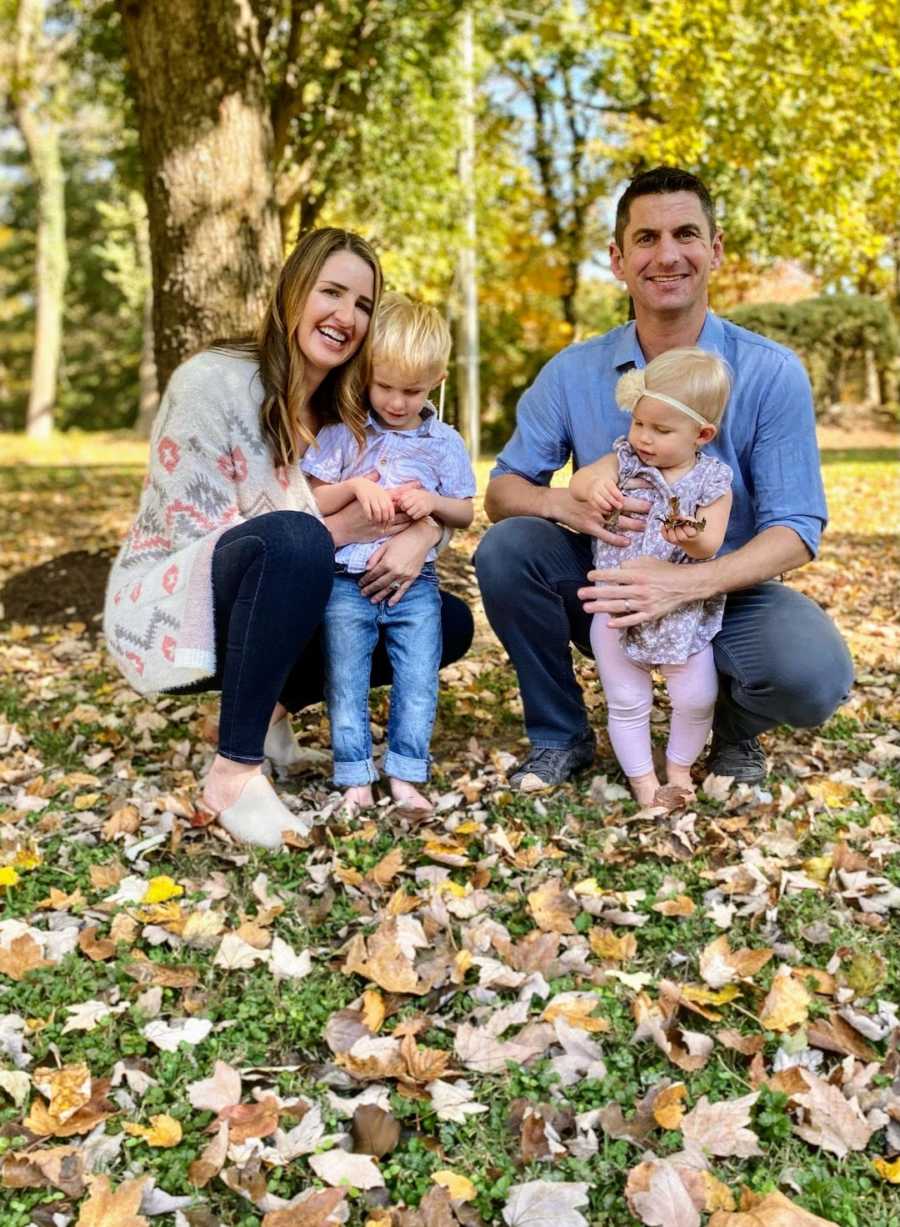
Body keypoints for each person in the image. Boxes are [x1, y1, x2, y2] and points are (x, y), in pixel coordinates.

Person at [475, 165, 853, 790]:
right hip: (611, 586)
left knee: (813, 674)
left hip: (729, 588)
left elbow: (797, 528)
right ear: (618, 260)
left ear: (716, 249)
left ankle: (732, 735)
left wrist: (687, 584)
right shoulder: (573, 372)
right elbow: (503, 492)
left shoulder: (771, 373)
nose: (667, 254)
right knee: (510, 549)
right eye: (646, 239)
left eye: (686, 233)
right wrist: (566, 504)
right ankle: (561, 738)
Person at [103, 230, 473, 849]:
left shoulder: (347, 407)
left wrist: (425, 532)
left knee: (447, 621)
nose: (346, 316)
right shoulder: (215, 383)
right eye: (331, 292)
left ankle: (270, 711)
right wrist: (339, 527)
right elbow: (209, 535)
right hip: (177, 600)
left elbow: (412, 495)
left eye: (363, 304)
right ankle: (233, 774)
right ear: (292, 292)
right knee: (298, 542)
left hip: (290, 587)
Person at [301, 293, 476, 813]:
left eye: (412, 391)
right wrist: (354, 487)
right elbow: (309, 498)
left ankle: (406, 772)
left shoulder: (444, 443)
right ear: (366, 374)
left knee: (418, 677)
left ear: (436, 382)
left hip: (414, 587)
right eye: (384, 387)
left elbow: (465, 512)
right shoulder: (343, 434)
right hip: (345, 581)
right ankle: (355, 773)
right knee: (347, 676)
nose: (397, 402)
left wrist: (433, 504)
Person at [570, 348, 732, 805]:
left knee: (697, 696)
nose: (644, 437)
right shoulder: (625, 461)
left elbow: (711, 542)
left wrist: (689, 536)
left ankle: (678, 769)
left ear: (702, 434)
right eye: (639, 423)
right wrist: (593, 486)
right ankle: (644, 782)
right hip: (616, 604)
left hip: (681, 607)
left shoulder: (712, 481)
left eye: (661, 430)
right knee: (626, 699)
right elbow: (581, 482)